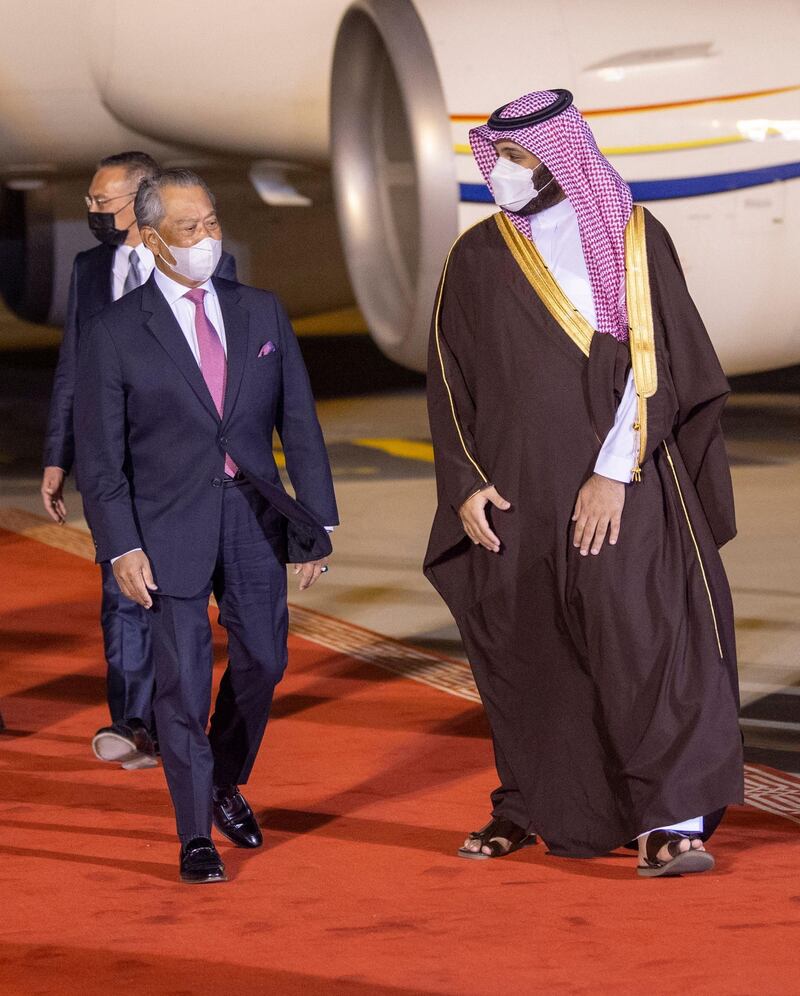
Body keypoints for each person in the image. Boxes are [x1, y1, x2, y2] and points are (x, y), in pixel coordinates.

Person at [424, 89, 743, 878]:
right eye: (497, 159)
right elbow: (448, 379)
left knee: (649, 645)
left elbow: (659, 364)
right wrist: (464, 485)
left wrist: (612, 473)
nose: (501, 174)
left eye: (521, 159)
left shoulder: (633, 240)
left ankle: (671, 823)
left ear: (564, 160)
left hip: (624, 486)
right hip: (517, 499)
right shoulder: (477, 255)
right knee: (530, 654)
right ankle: (529, 804)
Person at [75, 168, 337, 884]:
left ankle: (222, 778)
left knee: (266, 661)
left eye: (213, 223)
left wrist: (315, 523)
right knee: (182, 686)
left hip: (253, 516)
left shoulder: (261, 312)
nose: (208, 239)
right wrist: (121, 545)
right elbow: (101, 461)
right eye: (191, 229)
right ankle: (195, 834)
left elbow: (300, 425)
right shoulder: (115, 332)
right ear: (154, 240)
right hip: (165, 528)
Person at [41, 151, 237, 770]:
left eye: (104, 202)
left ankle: (174, 714)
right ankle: (132, 720)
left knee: (180, 595)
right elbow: (75, 364)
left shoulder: (209, 263)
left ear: (140, 199)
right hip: (112, 459)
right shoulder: (89, 267)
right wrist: (57, 456)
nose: (94, 213)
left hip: (180, 461)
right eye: (91, 203)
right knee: (120, 588)